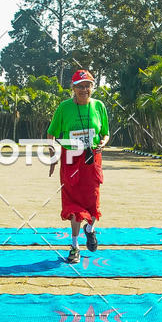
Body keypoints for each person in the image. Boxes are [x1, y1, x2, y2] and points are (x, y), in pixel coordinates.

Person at [47, 69, 110, 264]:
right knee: (74, 206)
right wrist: (54, 153)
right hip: (71, 159)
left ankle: (90, 229)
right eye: (80, 86)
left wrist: (102, 143)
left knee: (92, 204)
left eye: (88, 85)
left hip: (92, 159)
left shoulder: (99, 106)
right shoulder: (64, 108)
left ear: (93, 87)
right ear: (73, 88)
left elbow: (106, 133)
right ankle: (74, 246)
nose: (84, 89)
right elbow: (51, 135)